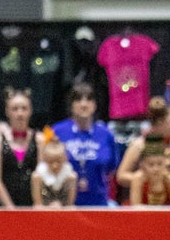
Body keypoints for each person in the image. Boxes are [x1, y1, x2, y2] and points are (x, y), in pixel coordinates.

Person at [47, 83, 119, 211]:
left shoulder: (106, 134)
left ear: (95, 105)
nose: (84, 104)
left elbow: (111, 169)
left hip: (99, 204)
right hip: (64, 206)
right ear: (71, 105)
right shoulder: (56, 131)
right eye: (78, 99)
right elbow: (45, 166)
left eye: (89, 99)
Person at [0, 86, 43, 207]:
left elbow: (41, 175)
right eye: (15, 109)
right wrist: (11, 209)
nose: (19, 113)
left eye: (24, 108)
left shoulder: (39, 139)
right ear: (7, 112)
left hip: (33, 206)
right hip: (5, 208)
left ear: (30, 111)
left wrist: (37, 204)